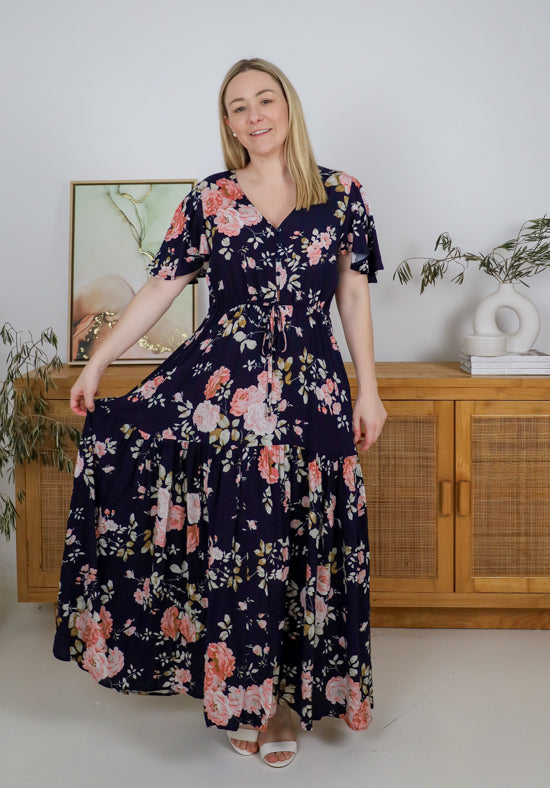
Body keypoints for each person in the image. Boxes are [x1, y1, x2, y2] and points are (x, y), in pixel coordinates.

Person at [53, 57, 387, 768]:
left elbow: (353, 298)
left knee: (305, 538)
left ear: (288, 107)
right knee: (242, 545)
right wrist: (98, 361)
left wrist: (369, 389)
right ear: (228, 122)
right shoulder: (210, 198)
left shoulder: (343, 193)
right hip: (225, 394)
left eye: (266, 100)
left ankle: (294, 688)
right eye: (238, 107)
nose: (254, 115)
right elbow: (160, 287)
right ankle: (245, 701)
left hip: (313, 390)